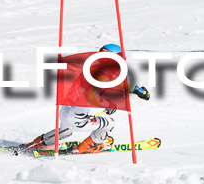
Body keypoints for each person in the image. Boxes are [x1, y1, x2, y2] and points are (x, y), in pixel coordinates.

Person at [17, 44, 150, 155]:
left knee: (65, 132)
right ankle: (88, 147)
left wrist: (133, 92)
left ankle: (35, 144)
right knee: (110, 122)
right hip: (78, 119)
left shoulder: (88, 69)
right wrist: (134, 93)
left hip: (66, 112)